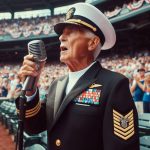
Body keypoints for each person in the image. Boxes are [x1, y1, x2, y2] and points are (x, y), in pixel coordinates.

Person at [16, 3, 139, 150]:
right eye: (62, 33)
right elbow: (34, 127)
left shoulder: (114, 84)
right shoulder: (57, 84)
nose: (61, 37)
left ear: (92, 43)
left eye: (71, 31)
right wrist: (30, 89)